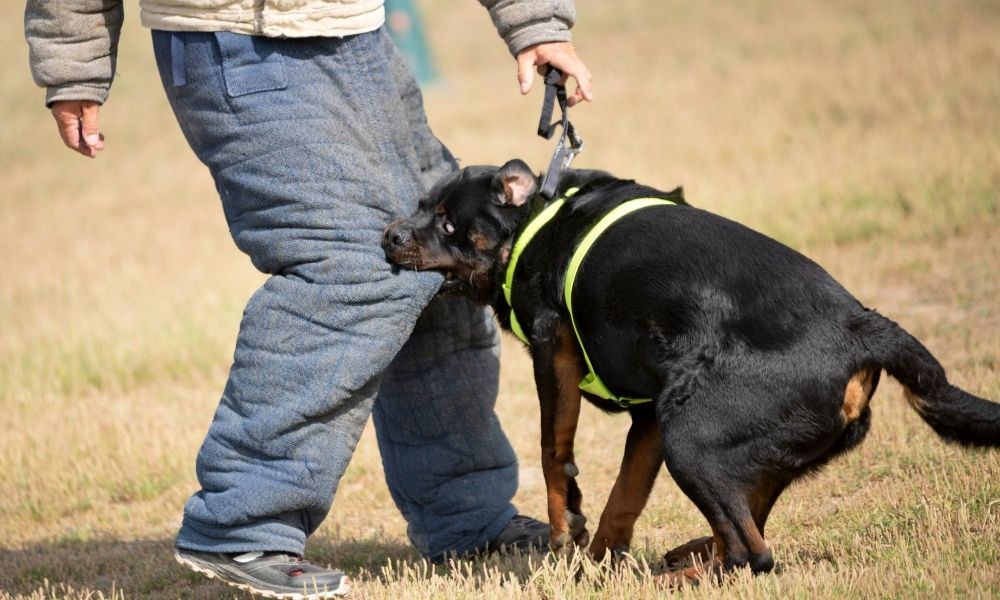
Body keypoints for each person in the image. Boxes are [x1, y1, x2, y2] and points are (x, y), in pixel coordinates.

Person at [25, 0, 592, 597]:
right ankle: (242, 524)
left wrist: (535, 23)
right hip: (237, 41)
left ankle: (466, 517)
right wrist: (74, 62)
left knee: (441, 263)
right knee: (348, 269)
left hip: (356, 38)